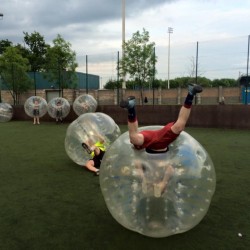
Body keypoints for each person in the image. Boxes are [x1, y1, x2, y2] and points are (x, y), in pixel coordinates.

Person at [120, 84, 203, 153]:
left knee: (135, 139)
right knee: (135, 140)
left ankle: (191, 93)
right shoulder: (140, 152)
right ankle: (131, 108)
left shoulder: (143, 147)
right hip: (155, 141)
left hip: (159, 139)